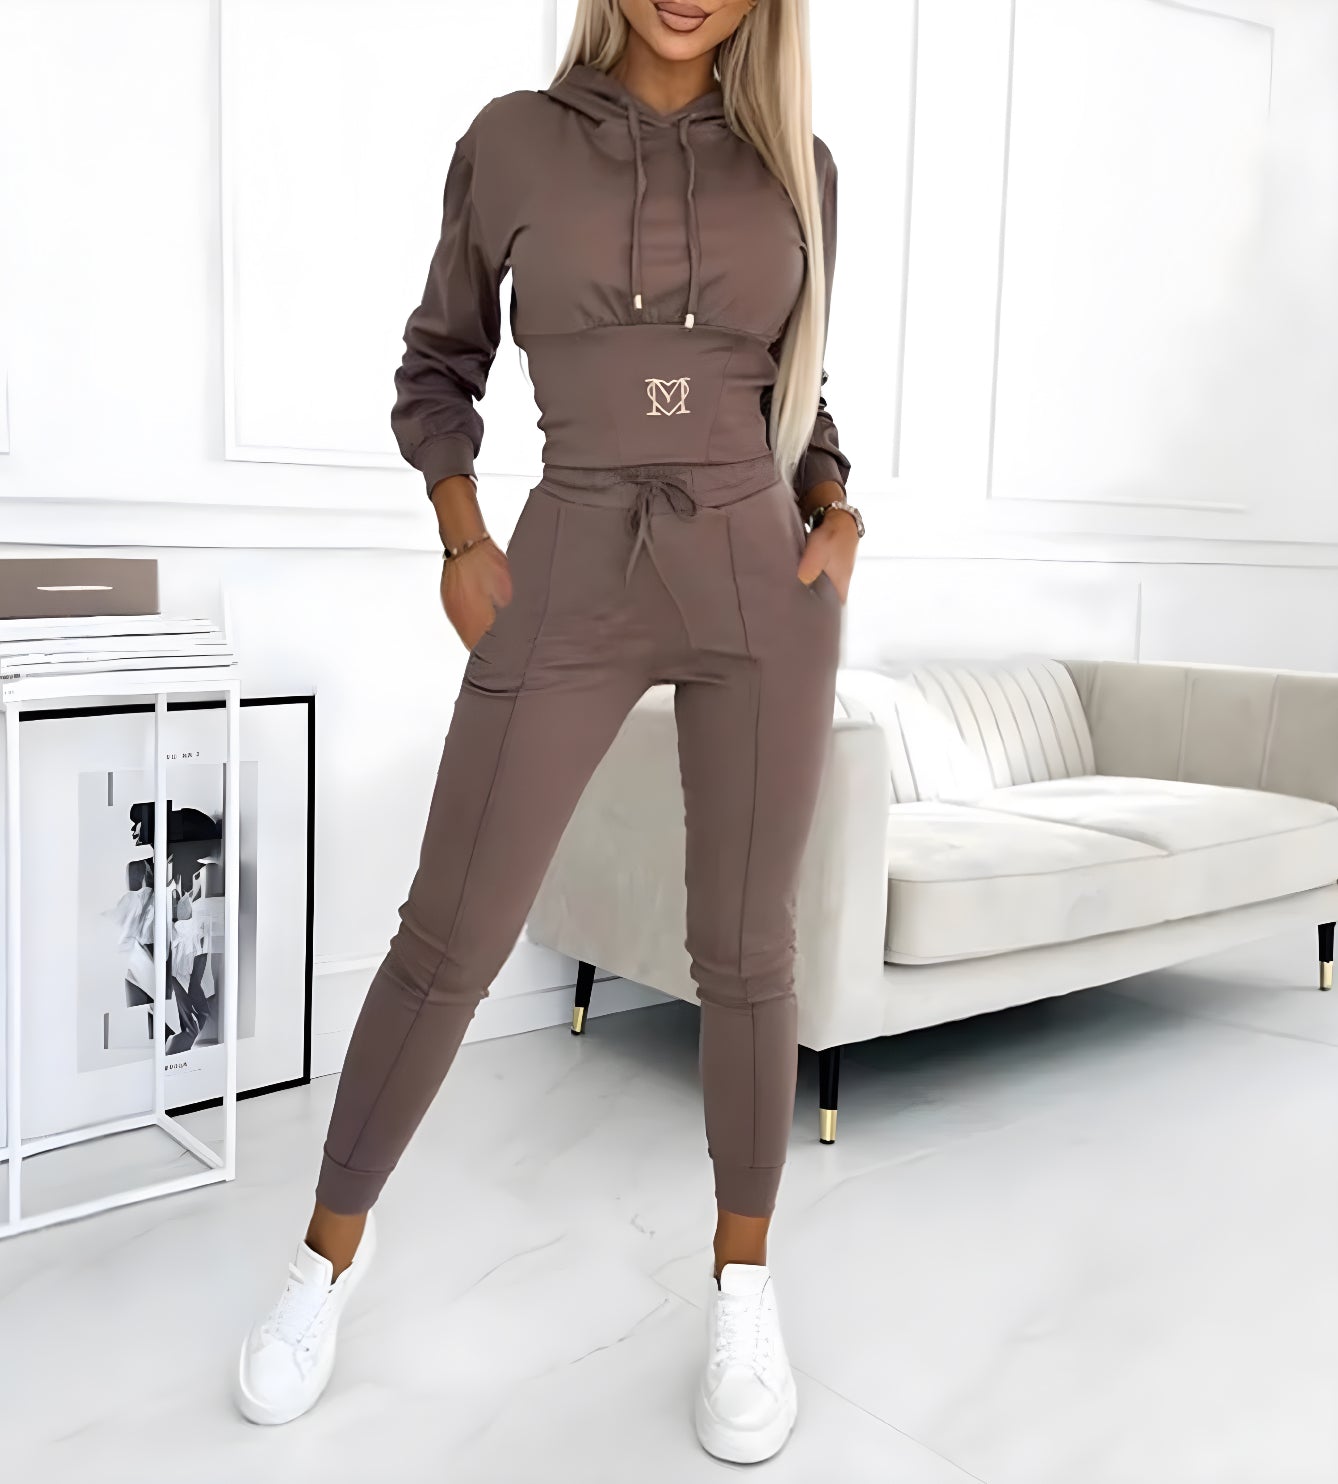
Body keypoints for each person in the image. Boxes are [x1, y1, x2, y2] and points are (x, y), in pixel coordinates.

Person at [235, 0, 863, 1463]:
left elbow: (799, 384)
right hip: (571, 553)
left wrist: (833, 509)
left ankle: (743, 1284)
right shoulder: (514, 141)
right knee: (448, 936)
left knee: (747, 951)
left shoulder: (800, 162)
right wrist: (461, 536)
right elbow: (438, 364)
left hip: (757, 574)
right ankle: (324, 1260)